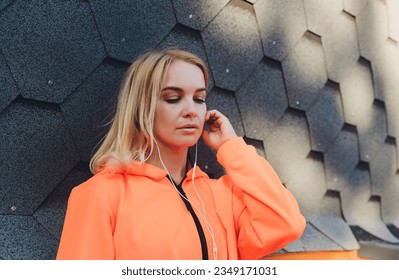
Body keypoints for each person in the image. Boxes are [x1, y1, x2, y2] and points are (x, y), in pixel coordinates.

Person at [56, 48, 305, 260]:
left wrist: (232, 147)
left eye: (199, 98)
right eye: (173, 98)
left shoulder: (223, 195)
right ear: (142, 107)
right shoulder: (101, 195)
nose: (191, 111)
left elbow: (286, 223)